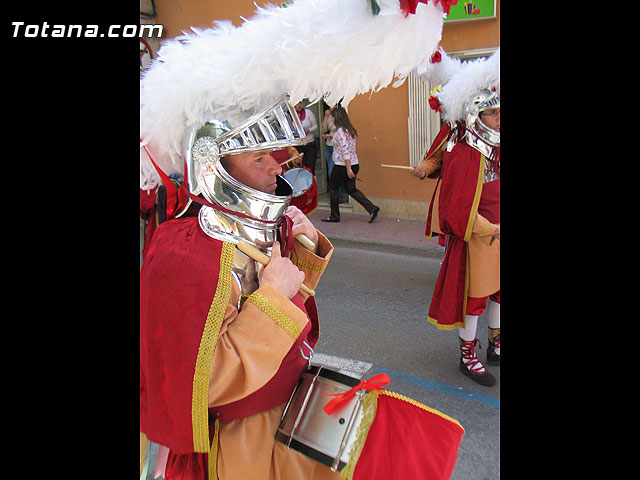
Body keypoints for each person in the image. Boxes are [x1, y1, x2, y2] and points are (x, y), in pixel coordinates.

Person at [423, 48, 500, 387]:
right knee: (476, 296)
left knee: (500, 292)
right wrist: (485, 227)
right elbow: (457, 202)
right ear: (475, 115)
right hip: (479, 235)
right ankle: (467, 354)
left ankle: (496, 344)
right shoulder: (465, 149)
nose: (499, 119)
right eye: (492, 113)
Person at [321, 106, 380, 223]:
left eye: (333, 117)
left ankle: (334, 216)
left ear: (337, 118)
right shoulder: (350, 130)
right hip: (353, 163)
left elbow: (345, 150)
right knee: (351, 189)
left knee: (333, 188)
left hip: (342, 165)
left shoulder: (340, 132)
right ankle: (372, 208)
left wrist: (348, 169)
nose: (331, 119)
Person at [294, 102, 318, 174]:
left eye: (300, 103)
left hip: (309, 144)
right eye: (297, 104)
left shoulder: (308, 112)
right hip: (297, 146)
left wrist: (309, 130)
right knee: (299, 169)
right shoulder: (290, 115)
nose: (299, 105)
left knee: (310, 168)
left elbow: (315, 126)